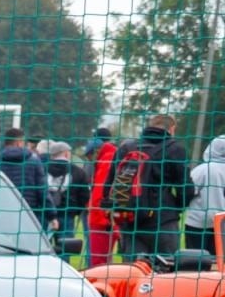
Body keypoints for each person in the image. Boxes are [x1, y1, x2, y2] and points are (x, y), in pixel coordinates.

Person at [114, 113, 194, 260]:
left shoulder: (127, 147)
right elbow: (186, 188)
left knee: (133, 273)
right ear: (172, 129)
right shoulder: (175, 149)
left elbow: (110, 183)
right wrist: (176, 207)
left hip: (131, 220)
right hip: (163, 220)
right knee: (166, 271)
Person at [0, 127, 50, 228]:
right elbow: (42, 191)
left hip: (0, 214)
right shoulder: (34, 162)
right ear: (19, 143)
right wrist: (52, 215)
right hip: (28, 215)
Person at [85, 126, 120, 267]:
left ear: (96, 151)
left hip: (103, 221)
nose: (89, 160)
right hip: (114, 218)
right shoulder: (112, 157)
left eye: (89, 156)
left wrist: (98, 216)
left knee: (99, 263)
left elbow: (101, 193)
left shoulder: (105, 162)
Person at [45, 141, 90, 246]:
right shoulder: (78, 171)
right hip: (67, 213)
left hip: (45, 213)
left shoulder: (42, 168)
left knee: (43, 247)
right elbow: (85, 196)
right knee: (66, 248)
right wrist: (76, 211)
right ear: (66, 153)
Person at [184, 134, 225, 247]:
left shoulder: (202, 170)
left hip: (198, 223)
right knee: (220, 261)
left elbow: (188, 192)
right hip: (222, 224)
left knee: (197, 261)